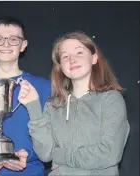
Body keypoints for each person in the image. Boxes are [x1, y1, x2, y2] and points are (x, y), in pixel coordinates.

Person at [18, 31, 130, 176]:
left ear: (94, 58)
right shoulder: (53, 105)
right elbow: (45, 154)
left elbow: (109, 153)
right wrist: (33, 106)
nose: (72, 60)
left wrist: (59, 156)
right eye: (65, 56)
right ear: (60, 66)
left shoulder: (111, 99)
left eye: (79, 53)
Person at [0, 17, 51, 175]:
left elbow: (53, 140)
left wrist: (29, 156)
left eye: (13, 39)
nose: (6, 44)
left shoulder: (44, 88)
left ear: (23, 45)